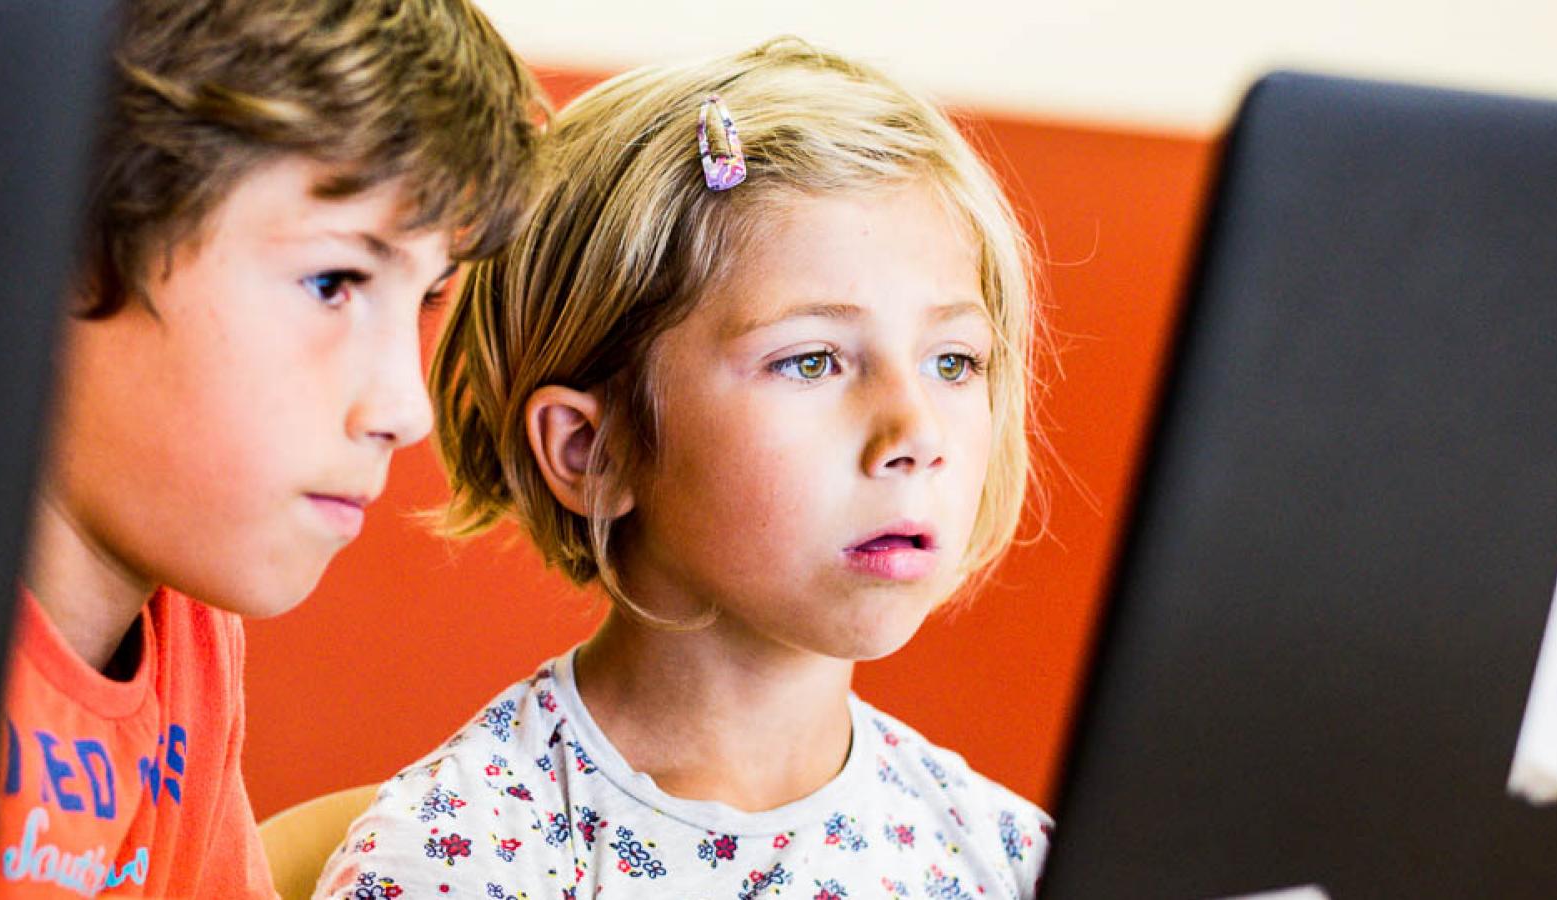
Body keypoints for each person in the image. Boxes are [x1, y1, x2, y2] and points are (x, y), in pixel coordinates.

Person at [316, 37, 1052, 900]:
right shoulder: (459, 858)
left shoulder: (1012, 858)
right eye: (812, 361)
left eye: (955, 361)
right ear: (592, 451)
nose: (916, 431)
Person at [0, 2, 542, 896]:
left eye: (428, 298)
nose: (407, 408)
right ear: (67, 245)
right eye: (334, 282)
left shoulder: (192, 640)